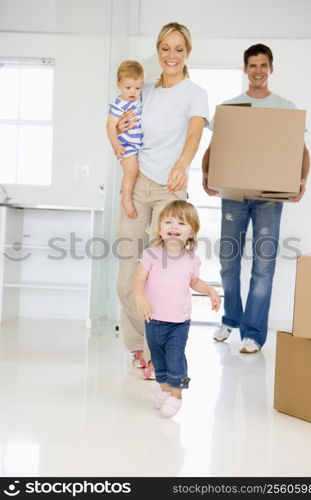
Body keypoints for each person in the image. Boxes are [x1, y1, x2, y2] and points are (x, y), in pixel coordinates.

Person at [201, 43, 310, 354]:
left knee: (263, 266)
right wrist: (206, 174)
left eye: (263, 65)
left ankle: (253, 334)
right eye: (253, 66)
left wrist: (301, 180)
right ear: (245, 69)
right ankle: (231, 319)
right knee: (227, 262)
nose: (258, 71)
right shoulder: (232, 107)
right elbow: (215, 148)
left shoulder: (285, 107)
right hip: (234, 194)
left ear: (271, 69)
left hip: (269, 198)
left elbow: (299, 151)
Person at [116, 23, 210, 378]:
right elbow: (125, 125)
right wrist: (121, 125)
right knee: (128, 275)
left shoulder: (194, 92)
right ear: (158, 51)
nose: (171, 55)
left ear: (187, 53)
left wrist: (183, 163)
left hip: (171, 187)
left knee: (165, 276)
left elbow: (195, 131)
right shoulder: (147, 92)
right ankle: (138, 345)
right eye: (165, 48)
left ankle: (159, 350)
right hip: (138, 182)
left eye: (179, 49)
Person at [133, 200, 221, 417]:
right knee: (159, 360)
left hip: (178, 322)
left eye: (181, 223)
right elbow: (138, 280)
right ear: (160, 228)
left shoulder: (192, 259)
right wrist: (140, 298)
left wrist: (209, 290)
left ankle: (177, 396)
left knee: (175, 358)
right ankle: (165, 391)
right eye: (169, 222)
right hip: (153, 320)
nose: (174, 227)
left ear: (192, 232)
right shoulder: (151, 254)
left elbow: (194, 281)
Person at [106, 60, 144, 218]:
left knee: (137, 172)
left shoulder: (138, 99)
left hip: (138, 145)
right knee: (131, 171)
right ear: (118, 85)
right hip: (125, 144)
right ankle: (126, 199)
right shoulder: (118, 104)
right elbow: (110, 126)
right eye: (128, 87)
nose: (133, 92)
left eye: (137, 87)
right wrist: (116, 146)